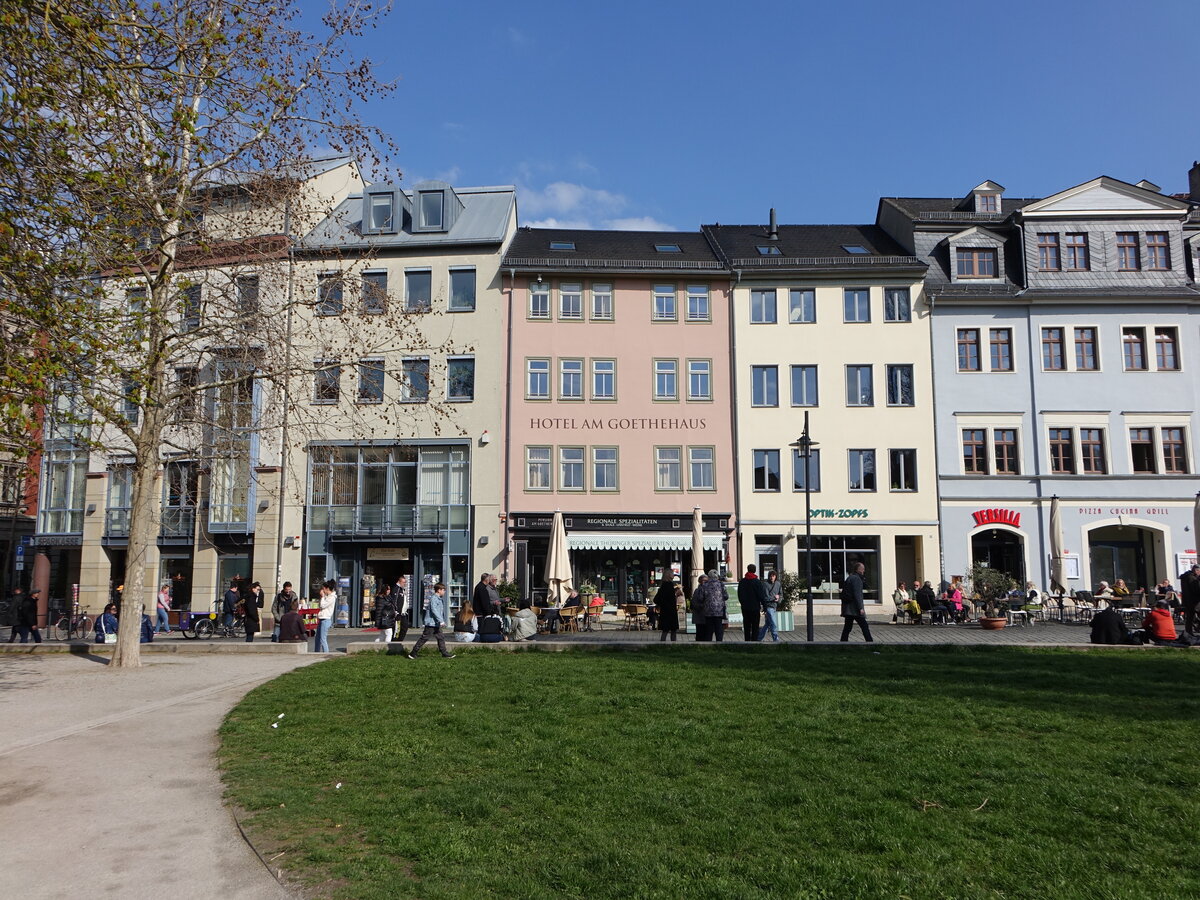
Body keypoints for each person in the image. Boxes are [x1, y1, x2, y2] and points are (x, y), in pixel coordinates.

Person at [406, 582, 455, 659]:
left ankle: (444, 652)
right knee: (425, 638)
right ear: (439, 590)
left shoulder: (438, 599)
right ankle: (413, 653)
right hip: (431, 623)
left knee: (441, 637)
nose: (444, 591)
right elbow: (434, 610)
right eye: (443, 590)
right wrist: (441, 620)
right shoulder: (434, 599)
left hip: (435, 623)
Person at [839, 562, 874, 643]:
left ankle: (843, 643)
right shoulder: (857, 579)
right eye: (863, 569)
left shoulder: (850, 578)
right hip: (855, 609)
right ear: (859, 570)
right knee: (864, 626)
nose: (864, 571)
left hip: (848, 609)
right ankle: (870, 643)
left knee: (847, 627)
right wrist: (860, 608)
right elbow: (857, 594)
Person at [693, 569, 728, 642]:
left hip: (708, 611)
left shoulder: (705, 585)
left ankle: (709, 645)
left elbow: (700, 598)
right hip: (719, 611)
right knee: (718, 629)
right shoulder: (721, 584)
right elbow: (726, 596)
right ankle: (719, 644)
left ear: (709, 576)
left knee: (709, 630)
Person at [737, 564, 765, 641]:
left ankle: (747, 641)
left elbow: (739, 594)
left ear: (747, 569)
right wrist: (764, 606)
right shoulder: (757, 582)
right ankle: (754, 642)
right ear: (755, 570)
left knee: (747, 626)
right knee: (755, 626)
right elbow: (761, 595)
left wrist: (743, 603)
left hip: (745, 608)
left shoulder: (742, 582)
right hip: (755, 607)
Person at [758, 570, 781, 642]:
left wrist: (779, 599)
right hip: (768, 607)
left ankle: (759, 638)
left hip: (774, 606)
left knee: (767, 624)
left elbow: (781, 594)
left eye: (773, 576)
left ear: (775, 576)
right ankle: (776, 639)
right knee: (773, 623)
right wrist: (774, 598)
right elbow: (765, 597)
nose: (772, 577)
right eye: (770, 576)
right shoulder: (765, 584)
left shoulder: (778, 584)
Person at [654, 577, 679, 642]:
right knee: (672, 630)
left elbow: (656, 599)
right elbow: (669, 598)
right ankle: (673, 645)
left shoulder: (663, 586)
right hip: (670, 611)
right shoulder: (669, 585)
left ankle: (662, 645)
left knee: (665, 630)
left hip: (665, 611)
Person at [314, 580, 336, 652]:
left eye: (323, 588)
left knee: (322, 639)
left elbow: (323, 605)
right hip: (322, 618)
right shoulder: (328, 596)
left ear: (327, 589)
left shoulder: (332, 597)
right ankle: (316, 652)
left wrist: (322, 596)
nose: (322, 590)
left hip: (326, 619)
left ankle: (326, 653)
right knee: (317, 638)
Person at [1180, 565, 1200, 635]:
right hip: (1195, 601)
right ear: (1196, 570)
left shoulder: (1185, 577)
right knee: (1191, 617)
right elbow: (1196, 590)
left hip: (1188, 600)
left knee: (1190, 617)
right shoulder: (1192, 578)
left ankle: (1189, 632)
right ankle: (1191, 631)